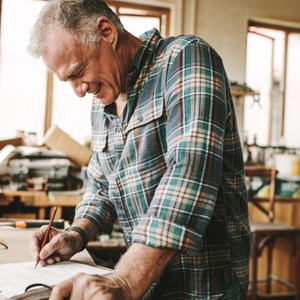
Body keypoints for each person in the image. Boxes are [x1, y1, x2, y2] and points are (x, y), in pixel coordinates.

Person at [28, 0, 250, 299]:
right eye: (68, 81)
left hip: (204, 284)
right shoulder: (102, 102)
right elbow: (103, 186)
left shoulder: (185, 58)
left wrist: (125, 281)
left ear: (106, 32)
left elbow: (189, 174)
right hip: (148, 283)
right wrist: (75, 234)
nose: (79, 90)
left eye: (78, 72)